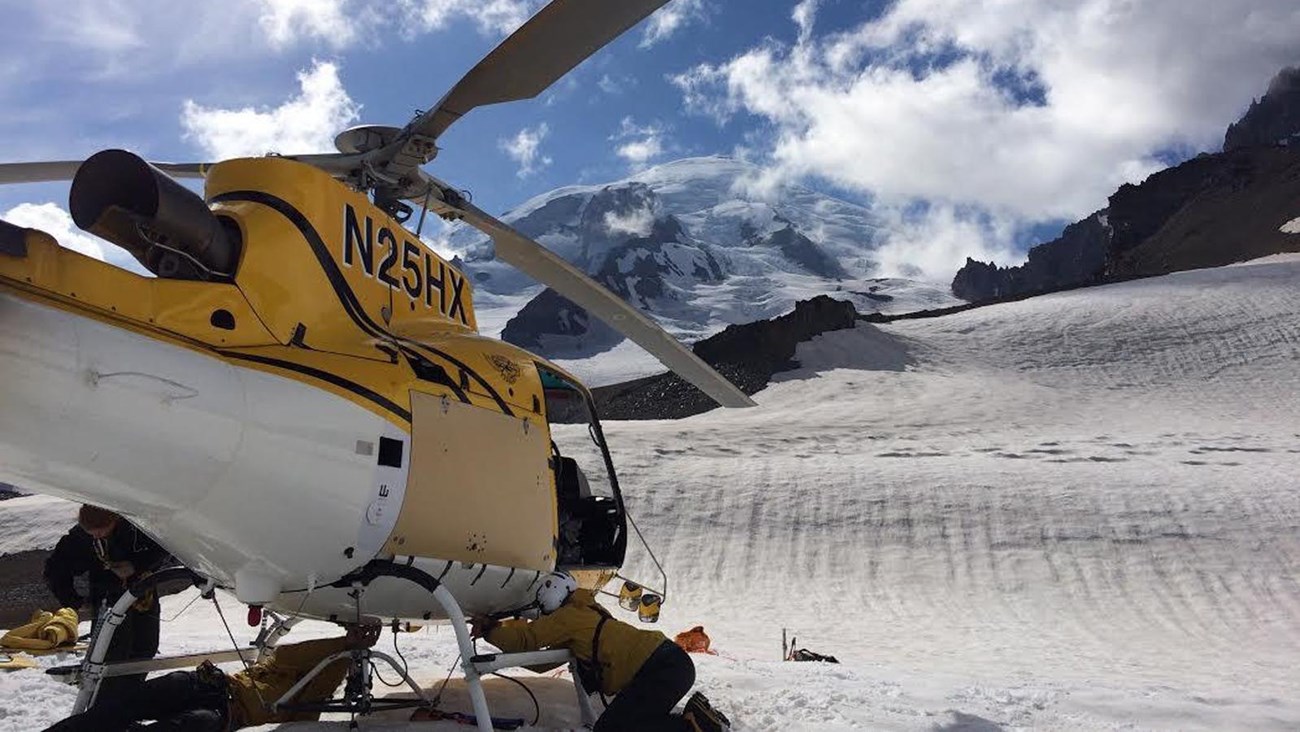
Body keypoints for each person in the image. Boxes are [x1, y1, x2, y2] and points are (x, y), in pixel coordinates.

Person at [472, 572, 726, 732]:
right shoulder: (588, 610)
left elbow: (525, 640)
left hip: (660, 669)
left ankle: (697, 724)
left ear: (549, 598)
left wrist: (491, 630)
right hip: (671, 664)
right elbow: (540, 663)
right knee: (637, 722)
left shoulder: (567, 617)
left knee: (613, 728)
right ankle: (697, 718)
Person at [43, 625, 381, 732]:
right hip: (211, 683)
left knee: (183, 727)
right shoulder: (285, 665)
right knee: (115, 709)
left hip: (225, 714)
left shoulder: (313, 696)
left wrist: (345, 656)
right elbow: (286, 655)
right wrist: (342, 645)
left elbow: (310, 713)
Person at [43, 505, 170, 703]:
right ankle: (102, 707)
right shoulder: (80, 538)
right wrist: (73, 600)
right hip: (106, 600)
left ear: (114, 520)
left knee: (144, 649)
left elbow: (164, 549)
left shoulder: (136, 528)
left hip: (143, 597)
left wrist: (135, 566)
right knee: (108, 656)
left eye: (101, 531)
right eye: (91, 533)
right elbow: (55, 568)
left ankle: (129, 702)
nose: (96, 537)